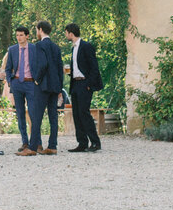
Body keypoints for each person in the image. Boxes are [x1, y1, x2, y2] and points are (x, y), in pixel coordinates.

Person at [24, 20, 63, 156]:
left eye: (36, 30)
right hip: (54, 86)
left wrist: (36, 80)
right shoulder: (56, 47)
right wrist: (59, 88)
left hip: (43, 86)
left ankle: (32, 147)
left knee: (36, 116)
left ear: (40, 29)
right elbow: (60, 69)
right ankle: (52, 146)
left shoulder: (39, 45)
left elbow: (43, 64)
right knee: (53, 117)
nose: (36, 32)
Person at [64, 23, 103, 153]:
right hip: (75, 83)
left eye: (66, 33)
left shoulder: (86, 46)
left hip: (84, 84)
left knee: (84, 113)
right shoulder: (73, 48)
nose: (65, 35)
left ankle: (95, 142)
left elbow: (94, 68)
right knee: (76, 114)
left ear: (70, 33)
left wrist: (88, 84)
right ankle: (82, 143)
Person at [6, 26, 37, 154]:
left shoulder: (34, 49)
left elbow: (39, 65)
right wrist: (10, 82)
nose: (19, 38)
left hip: (31, 84)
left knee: (33, 113)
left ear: (27, 36)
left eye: (21, 35)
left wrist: (38, 80)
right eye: (17, 35)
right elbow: (8, 68)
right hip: (17, 83)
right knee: (20, 114)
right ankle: (25, 142)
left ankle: (35, 142)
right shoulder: (12, 49)